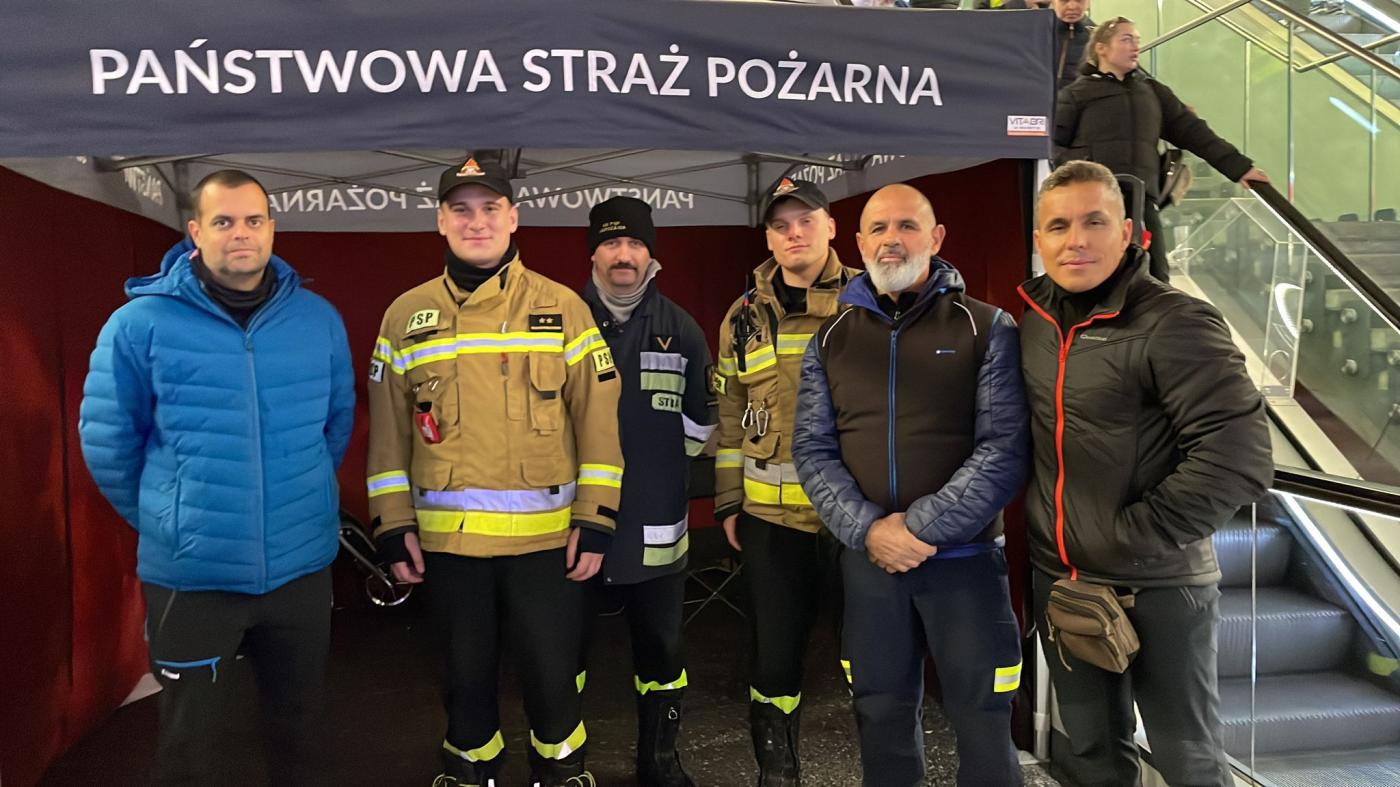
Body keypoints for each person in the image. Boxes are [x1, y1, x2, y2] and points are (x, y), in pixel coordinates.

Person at [79, 169, 355, 786]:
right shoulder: (138, 325)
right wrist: (171, 516)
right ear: (195, 231)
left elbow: (334, 425)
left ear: (272, 228)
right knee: (189, 746)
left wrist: (298, 500)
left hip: (300, 570)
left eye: (254, 220)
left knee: (301, 733)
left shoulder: (317, 320)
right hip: (192, 576)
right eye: (224, 221)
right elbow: (107, 442)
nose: (241, 234)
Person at [366, 157, 623, 787]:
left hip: (547, 543)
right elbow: (388, 432)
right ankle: (468, 770)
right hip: (448, 545)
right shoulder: (405, 316)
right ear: (440, 222)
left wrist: (596, 518)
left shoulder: (563, 308)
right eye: (461, 209)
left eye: (489, 209)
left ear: (513, 218)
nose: (475, 222)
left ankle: (563, 774)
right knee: (463, 678)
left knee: (553, 675)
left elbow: (598, 420)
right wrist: (390, 523)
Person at [1018, 160, 1272, 786]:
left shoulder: (1175, 320)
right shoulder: (1032, 325)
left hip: (1160, 586)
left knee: (1189, 760)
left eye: (1094, 222)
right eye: (1058, 226)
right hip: (1065, 581)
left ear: (1127, 231)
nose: (1075, 239)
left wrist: (1128, 536)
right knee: (1090, 757)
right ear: (1038, 240)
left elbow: (1239, 454)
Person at [792, 184, 1030, 787]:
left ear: (936, 238)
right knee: (879, 711)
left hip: (966, 566)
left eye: (906, 225)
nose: (891, 239)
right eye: (877, 228)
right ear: (859, 242)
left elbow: (1003, 450)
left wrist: (915, 530)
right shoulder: (829, 340)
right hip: (871, 568)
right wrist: (869, 531)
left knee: (981, 717)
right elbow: (813, 450)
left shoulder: (986, 327)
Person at [713, 177, 859, 785]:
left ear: (830, 226)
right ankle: (778, 771)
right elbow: (729, 413)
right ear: (769, 238)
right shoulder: (743, 317)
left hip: (860, 521)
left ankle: (886, 762)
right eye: (780, 225)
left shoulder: (870, 300)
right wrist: (728, 500)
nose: (793, 233)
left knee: (869, 657)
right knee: (774, 660)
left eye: (805, 220)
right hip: (771, 523)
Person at [578, 197, 715, 787]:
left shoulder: (680, 328)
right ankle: (564, 763)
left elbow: (702, 425)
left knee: (661, 653)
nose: (624, 255)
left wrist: (655, 472)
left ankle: (659, 761)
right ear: (593, 256)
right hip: (574, 524)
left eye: (635, 244)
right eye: (612, 244)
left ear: (652, 257)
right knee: (564, 655)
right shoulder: (560, 318)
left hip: (656, 526)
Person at [1053, 16, 1269, 282]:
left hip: (1142, 201)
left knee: (1155, 277)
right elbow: (1053, 145)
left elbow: (1193, 132)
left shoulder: (1152, 92)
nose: (1135, 47)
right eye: (1126, 39)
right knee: (1100, 275)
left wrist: (1239, 168)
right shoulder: (1076, 94)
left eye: (1137, 41)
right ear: (1101, 48)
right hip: (1095, 203)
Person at [1051, 0, 1094, 90]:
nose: (1072, 6)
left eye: (1079, 0)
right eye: (1064, 0)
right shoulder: (1038, 33)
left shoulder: (1097, 38)